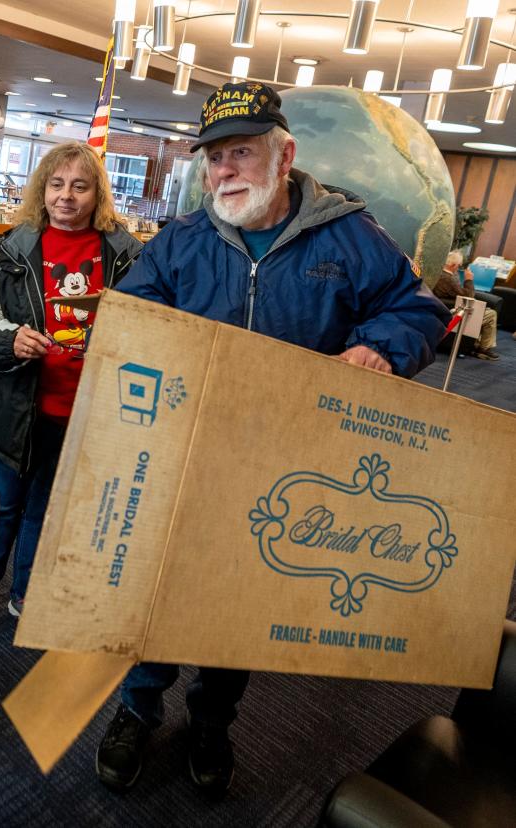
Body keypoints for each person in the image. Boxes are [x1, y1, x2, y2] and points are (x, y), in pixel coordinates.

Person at [95, 81, 450, 798]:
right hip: (186, 454)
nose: (224, 171)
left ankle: (212, 722)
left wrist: (379, 348)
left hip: (288, 466)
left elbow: (416, 310)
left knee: (239, 604)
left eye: (242, 153)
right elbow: (129, 321)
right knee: (161, 594)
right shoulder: (182, 241)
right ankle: (137, 708)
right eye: (215, 157)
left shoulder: (350, 236)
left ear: (284, 154)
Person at [0, 142, 142, 631]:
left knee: (49, 507)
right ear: (42, 190)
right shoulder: (16, 246)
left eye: (80, 186)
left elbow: (151, 325)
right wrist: (11, 340)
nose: (66, 196)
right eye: (57, 185)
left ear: (97, 193)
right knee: (0, 503)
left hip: (87, 410)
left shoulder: (125, 253)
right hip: (19, 408)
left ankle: (26, 588)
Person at [434, 250, 500, 360]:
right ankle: (484, 348)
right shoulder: (448, 279)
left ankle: (476, 343)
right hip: (455, 312)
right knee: (491, 314)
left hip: (446, 307)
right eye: (458, 266)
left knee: (486, 310)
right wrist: (469, 280)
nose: (458, 268)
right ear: (453, 265)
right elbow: (469, 296)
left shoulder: (438, 273)